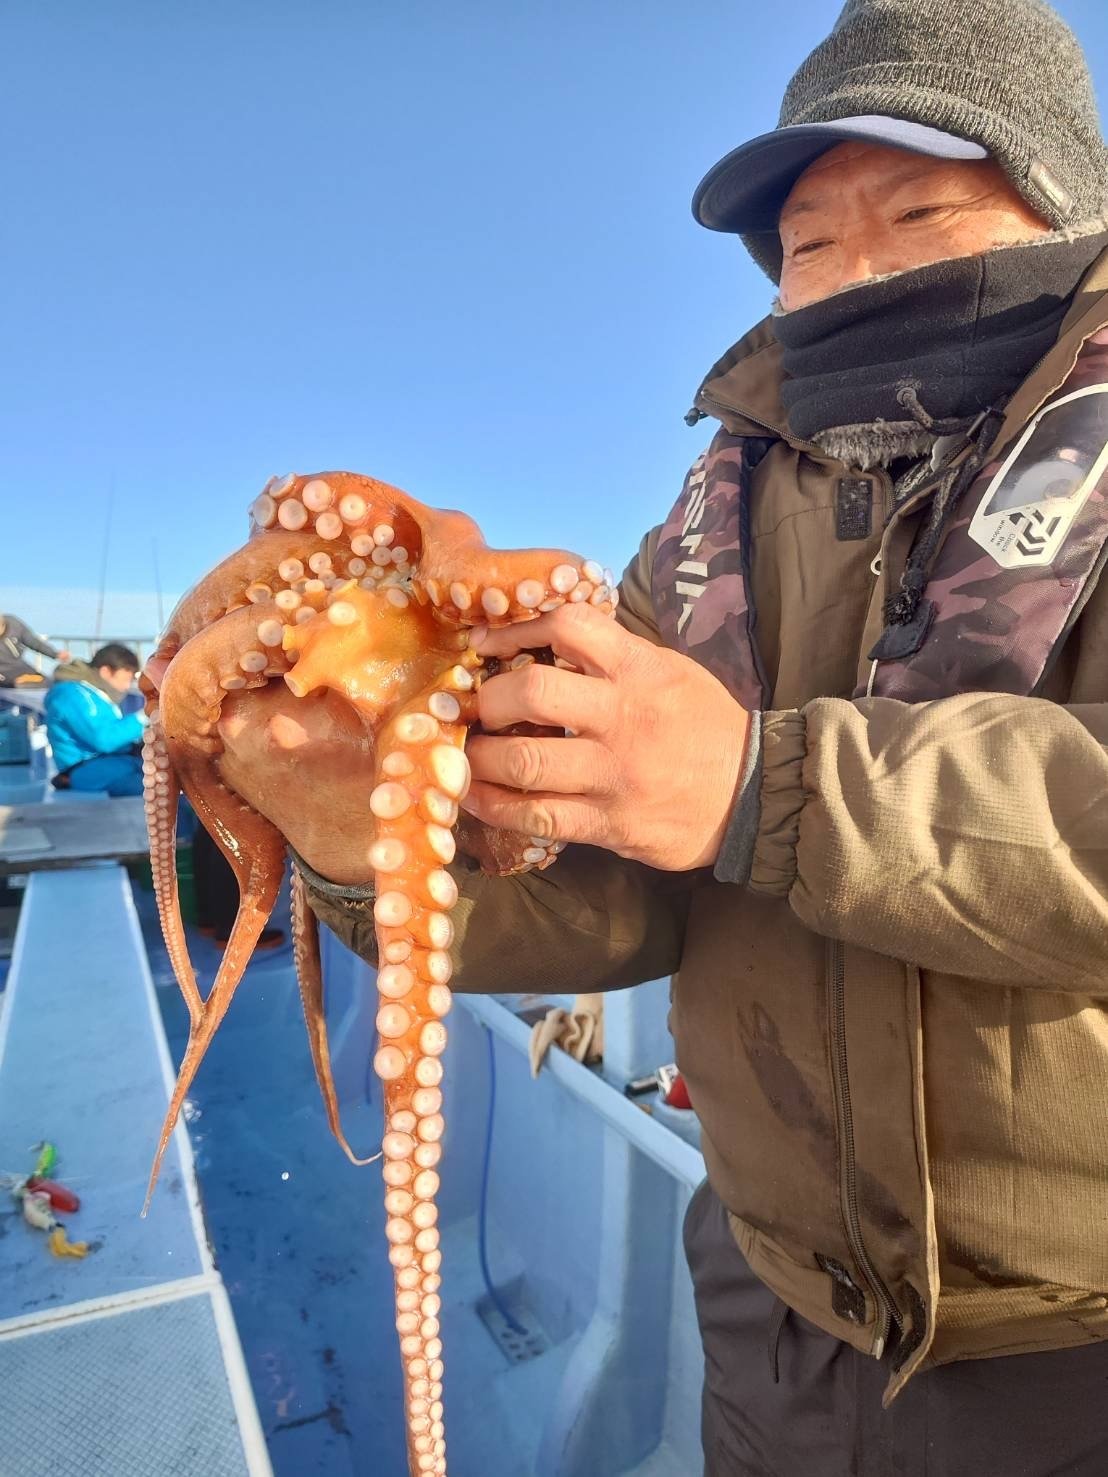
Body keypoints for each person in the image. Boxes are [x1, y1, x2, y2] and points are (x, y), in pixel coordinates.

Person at [215, 1, 1108, 1471]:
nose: (853, 270)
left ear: (1064, 214)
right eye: (808, 242)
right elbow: (618, 897)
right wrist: (358, 841)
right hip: (768, 1317)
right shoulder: (699, 545)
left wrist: (767, 784)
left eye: (921, 211)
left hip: (1074, 1355)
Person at [45, 643, 146, 795]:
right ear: (106, 672)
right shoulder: (72, 695)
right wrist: (144, 717)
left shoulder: (94, 693)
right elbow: (104, 739)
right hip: (87, 770)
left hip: (114, 763)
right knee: (161, 791)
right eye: (126, 679)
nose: (127, 686)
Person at [0, 613, 70, 687]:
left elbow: (33, 642)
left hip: (20, 667)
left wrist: (55, 654)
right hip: (3, 672)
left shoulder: (14, 625)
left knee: (48, 682)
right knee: (16, 684)